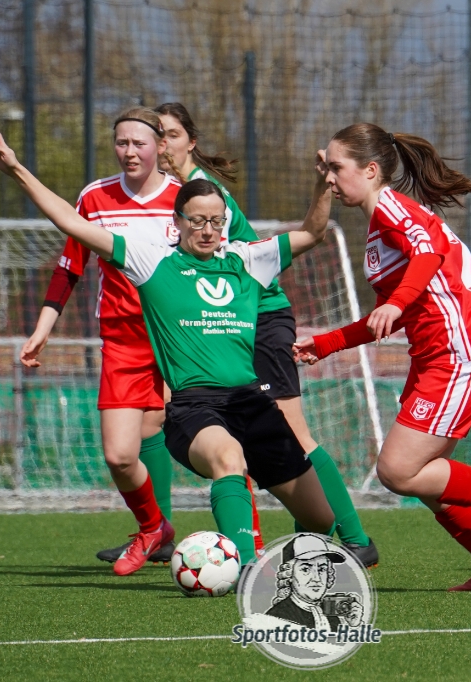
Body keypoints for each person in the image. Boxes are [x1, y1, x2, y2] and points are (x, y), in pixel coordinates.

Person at [0, 126, 337, 567]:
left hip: (252, 403)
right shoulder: (152, 260)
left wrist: (323, 185)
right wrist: (16, 169)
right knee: (228, 458)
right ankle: (243, 568)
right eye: (197, 220)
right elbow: (72, 223)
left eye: (216, 221)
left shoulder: (248, 260)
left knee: (320, 519)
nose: (208, 230)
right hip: (197, 408)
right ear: (177, 221)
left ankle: (295, 567)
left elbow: (313, 232)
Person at [293, 123, 471, 592]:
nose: (330, 178)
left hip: (460, 354)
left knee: (397, 470)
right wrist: (324, 344)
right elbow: (386, 316)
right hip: (435, 358)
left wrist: (397, 302)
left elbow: (427, 257)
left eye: (338, 168)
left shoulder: (391, 207)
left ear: (370, 170)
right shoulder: (378, 228)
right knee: (425, 478)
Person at [156, 101, 377, 567]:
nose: (160, 145)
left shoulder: (203, 193)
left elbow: (295, 241)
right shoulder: (166, 195)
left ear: (190, 142)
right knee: (225, 446)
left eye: (169, 134)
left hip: (259, 318)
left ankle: (354, 538)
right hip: (225, 326)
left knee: (292, 432)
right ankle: (227, 544)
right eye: (154, 135)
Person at [21, 107, 181, 575]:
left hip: (180, 338)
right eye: (121, 142)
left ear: (160, 147)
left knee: (208, 438)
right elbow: (69, 267)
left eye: (139, 143)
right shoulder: (96, 196)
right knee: (119, 453)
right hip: (123, 339)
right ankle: (155, 528)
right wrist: (43, 328)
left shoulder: (184, 197)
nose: (129, 152)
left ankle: (243, 544)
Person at [266, 534, 363, 629]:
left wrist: (354, 625)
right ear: (289, 574)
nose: (317, 578)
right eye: (305, 569)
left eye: (322, 569)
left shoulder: (331, 613)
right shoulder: (278, 617)